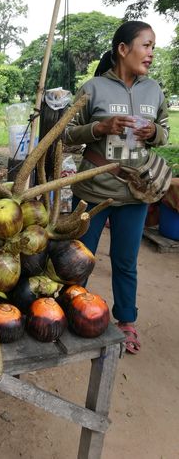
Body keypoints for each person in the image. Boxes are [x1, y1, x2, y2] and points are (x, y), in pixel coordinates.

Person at [64, 20, 169, 354]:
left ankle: (126, 320)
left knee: (126, 261)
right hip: (93, 189)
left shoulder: (154, 90)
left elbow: (165, 130)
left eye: (153, 46)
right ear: (123, 50)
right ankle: (68, 311)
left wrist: (154, 133)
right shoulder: (92, 88)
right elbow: (65, 135)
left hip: (136, 192)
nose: (151, 53)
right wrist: (99, 128)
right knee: (78, 259)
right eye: (146, 45)